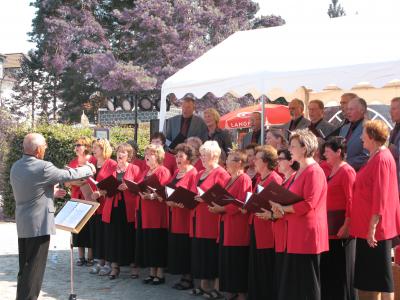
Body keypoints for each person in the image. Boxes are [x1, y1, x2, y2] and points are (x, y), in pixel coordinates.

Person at [10, 133, 94, 300]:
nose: (46, 149)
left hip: (24, 223)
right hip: (39, 225)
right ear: (39, 149)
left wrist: (51, 193)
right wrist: (89, 168)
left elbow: (30, 190)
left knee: (25, 267)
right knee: (34, 270)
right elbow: (67, 176)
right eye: (45, 146)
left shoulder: (16, 166)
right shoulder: (43, 167)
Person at [270, 129, 329, 300]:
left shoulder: (314, 171)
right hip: (295, 232)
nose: (289, 149)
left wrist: (282, 208)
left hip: (307, 235)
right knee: (295, 283)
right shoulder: (300, 171)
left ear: (304, 148)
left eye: (293, 146)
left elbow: (309, 203)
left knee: (307, 284)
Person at [350, 120, 400, 300]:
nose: (361, 138)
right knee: (373, 279)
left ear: (372, 137)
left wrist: (372, 227)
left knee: (382, 278)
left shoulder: (382, 158)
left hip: (376, 229)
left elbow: (381, 195)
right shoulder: (375, 156)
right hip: (367, 227)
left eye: (364, 134)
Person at [208, 150, 252, 300]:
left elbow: (242, 204)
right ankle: (231, 292)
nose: (226, 162)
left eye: (230, 160)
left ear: (239, 163)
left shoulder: (244, 179)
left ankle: (241, 295)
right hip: (226, 224)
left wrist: (222, 208)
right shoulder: (230, 179)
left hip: (237, 227)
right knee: (229, 261)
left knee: (237, 260)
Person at [190, 141, 230, 298]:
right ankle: (203, 285)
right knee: (201, 252)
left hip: (211, 218)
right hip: (197, 218)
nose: (202, 158)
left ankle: (216, 287)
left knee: (211, 253)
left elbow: (223, 197)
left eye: (205, 155)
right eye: (201, 155)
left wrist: (205, 199)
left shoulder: (222, 173)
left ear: (214, 156)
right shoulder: (200, 173)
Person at [320, 137, 357, 300]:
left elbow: (351, 199)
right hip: (329, 230)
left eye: (328, 151)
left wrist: (347, 224)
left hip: (341, 229)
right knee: (331, 272)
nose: (324, 154)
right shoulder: (330, 170)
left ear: (338, 152)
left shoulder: (347, 171)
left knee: (342, 273)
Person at [102, 143, 143, 279]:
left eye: (124, 152)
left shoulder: (135, 168)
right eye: (119, 151)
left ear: (129, 156)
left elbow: (140, 188)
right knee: (113, 237)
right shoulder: (111, 168)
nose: (120, 154)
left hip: (128, 208)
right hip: (112, 207)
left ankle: (133, 267)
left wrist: (130, 187)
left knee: (129, 236)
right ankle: (115, 267)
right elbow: (104, 186)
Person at [248, 145, 283, 300]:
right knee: (257, 267)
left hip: (268, 229)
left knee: (266, 267)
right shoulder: (260, 178)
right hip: (256, 225)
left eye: (257, 158)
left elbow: (277, 204)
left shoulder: (274, 178)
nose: (253, 160)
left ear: (267, 162)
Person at [136, 144, 171, 285]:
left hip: (158, 213)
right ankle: (152, 272)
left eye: (150, 154)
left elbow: (163, 191)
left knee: (158, 242)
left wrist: (152, 196)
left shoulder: (163, 171)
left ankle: (160, 274)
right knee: (149, 242)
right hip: (146, 212)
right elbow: (139, 185)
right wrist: (139, 191)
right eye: (146, 153)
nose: (147, 156)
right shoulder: (146, 172)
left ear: (158, 156)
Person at [165, 143, 198, 290]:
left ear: (188, 158)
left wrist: (178, 202)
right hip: (174, 214)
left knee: (185, 246)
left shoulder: (193, 173)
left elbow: (192, 194)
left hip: (185, 215)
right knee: (178, 245)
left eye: (181, 156)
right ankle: (182, 275)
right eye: (176, 156)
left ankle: (188, 277)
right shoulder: (177, 172)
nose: (177, 158)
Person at [66, 137, 96, 267]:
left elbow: (94, 180)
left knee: (90, 228)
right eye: (75, 145)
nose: (76, 147)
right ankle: (81, 257)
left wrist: (77, 181)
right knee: (77, 228)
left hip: (89, 198)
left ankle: (91, 257)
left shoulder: (93, 161)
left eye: (79, 145)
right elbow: (66, 182)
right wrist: (76, 182)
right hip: (76, 198)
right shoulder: (72, 163)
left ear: (86, 147)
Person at [89, 138, 117, 276]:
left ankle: (108, 263)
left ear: (104, 149)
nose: (93, 150)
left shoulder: (112, 164)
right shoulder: (92, 163)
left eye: (96, 147)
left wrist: (101, 192)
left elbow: (114, 184)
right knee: (98, 234)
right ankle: (99, 261)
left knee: (107, 234)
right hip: (94, 204)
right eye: (93, 147)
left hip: (107, 204)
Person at [339, 97, 369, 171]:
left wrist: (345, 163)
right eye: (348, 109)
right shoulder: (344, 128)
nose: (348, 112)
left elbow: (367, 155)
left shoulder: (368, 127)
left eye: (351, 109)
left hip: (358, 173)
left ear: (362, 110)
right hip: (341, 171)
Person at [389, 97, 400, 188]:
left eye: (393, 109)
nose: (390, 112)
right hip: (394, 179)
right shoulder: (394, 130)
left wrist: (390, 147)